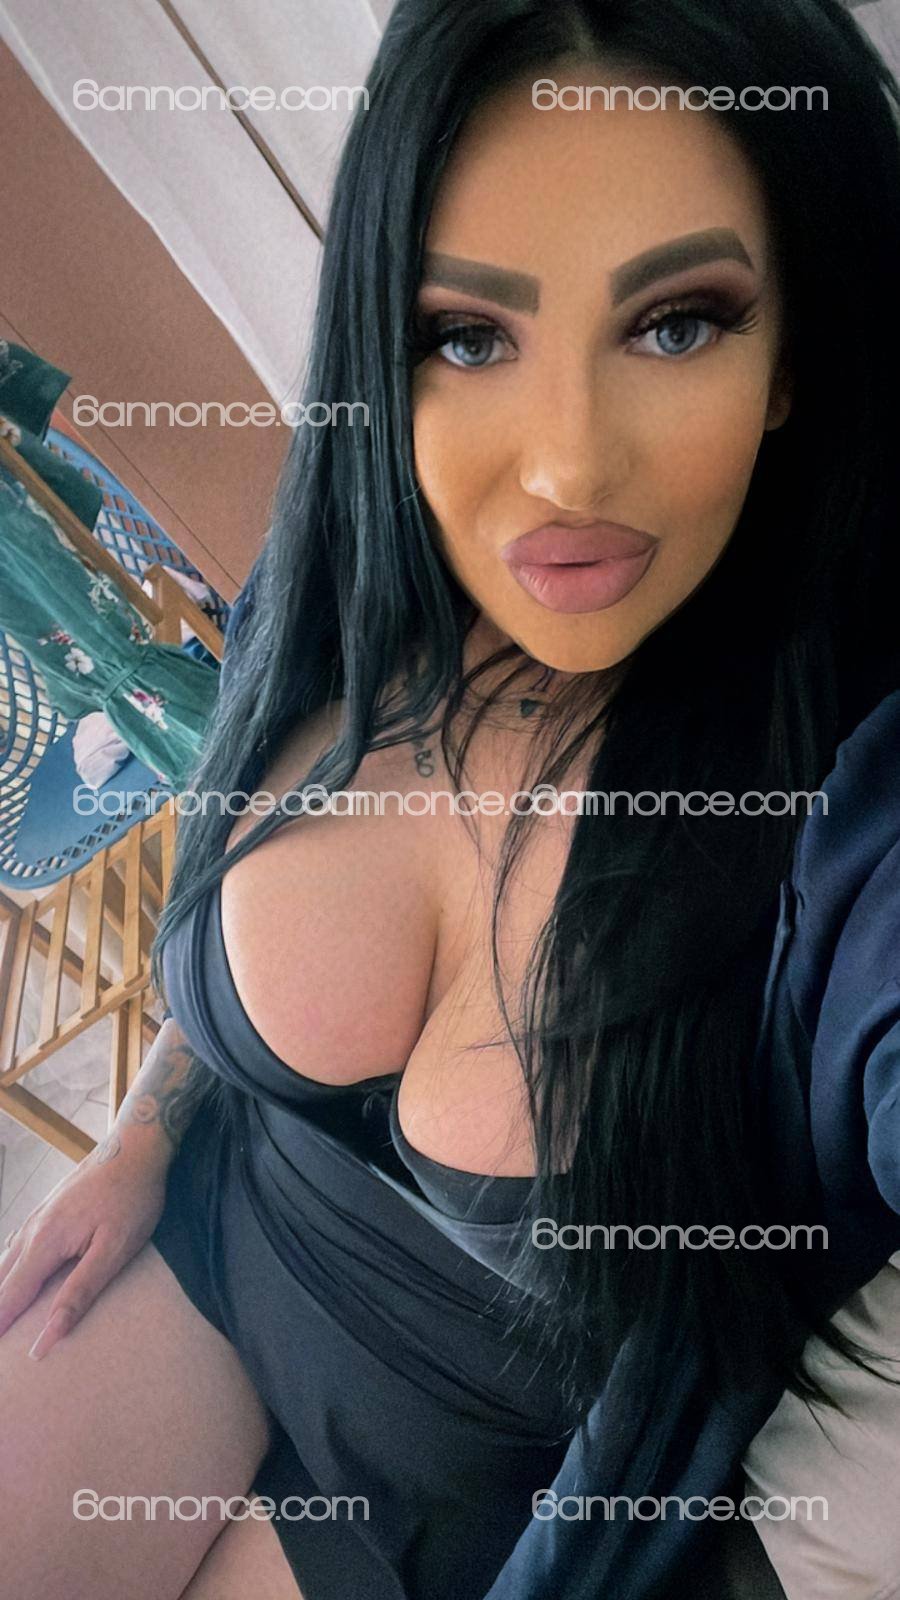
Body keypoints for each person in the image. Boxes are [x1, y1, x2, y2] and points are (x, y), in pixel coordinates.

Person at [1, 1, 900, 1595]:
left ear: (796, 356)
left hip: (449, 1481)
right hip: (213, 1237)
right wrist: (144, 1130)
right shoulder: (349, 578)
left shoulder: (846, 805)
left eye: (678, 323)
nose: (565, 469)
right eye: (469, 336)